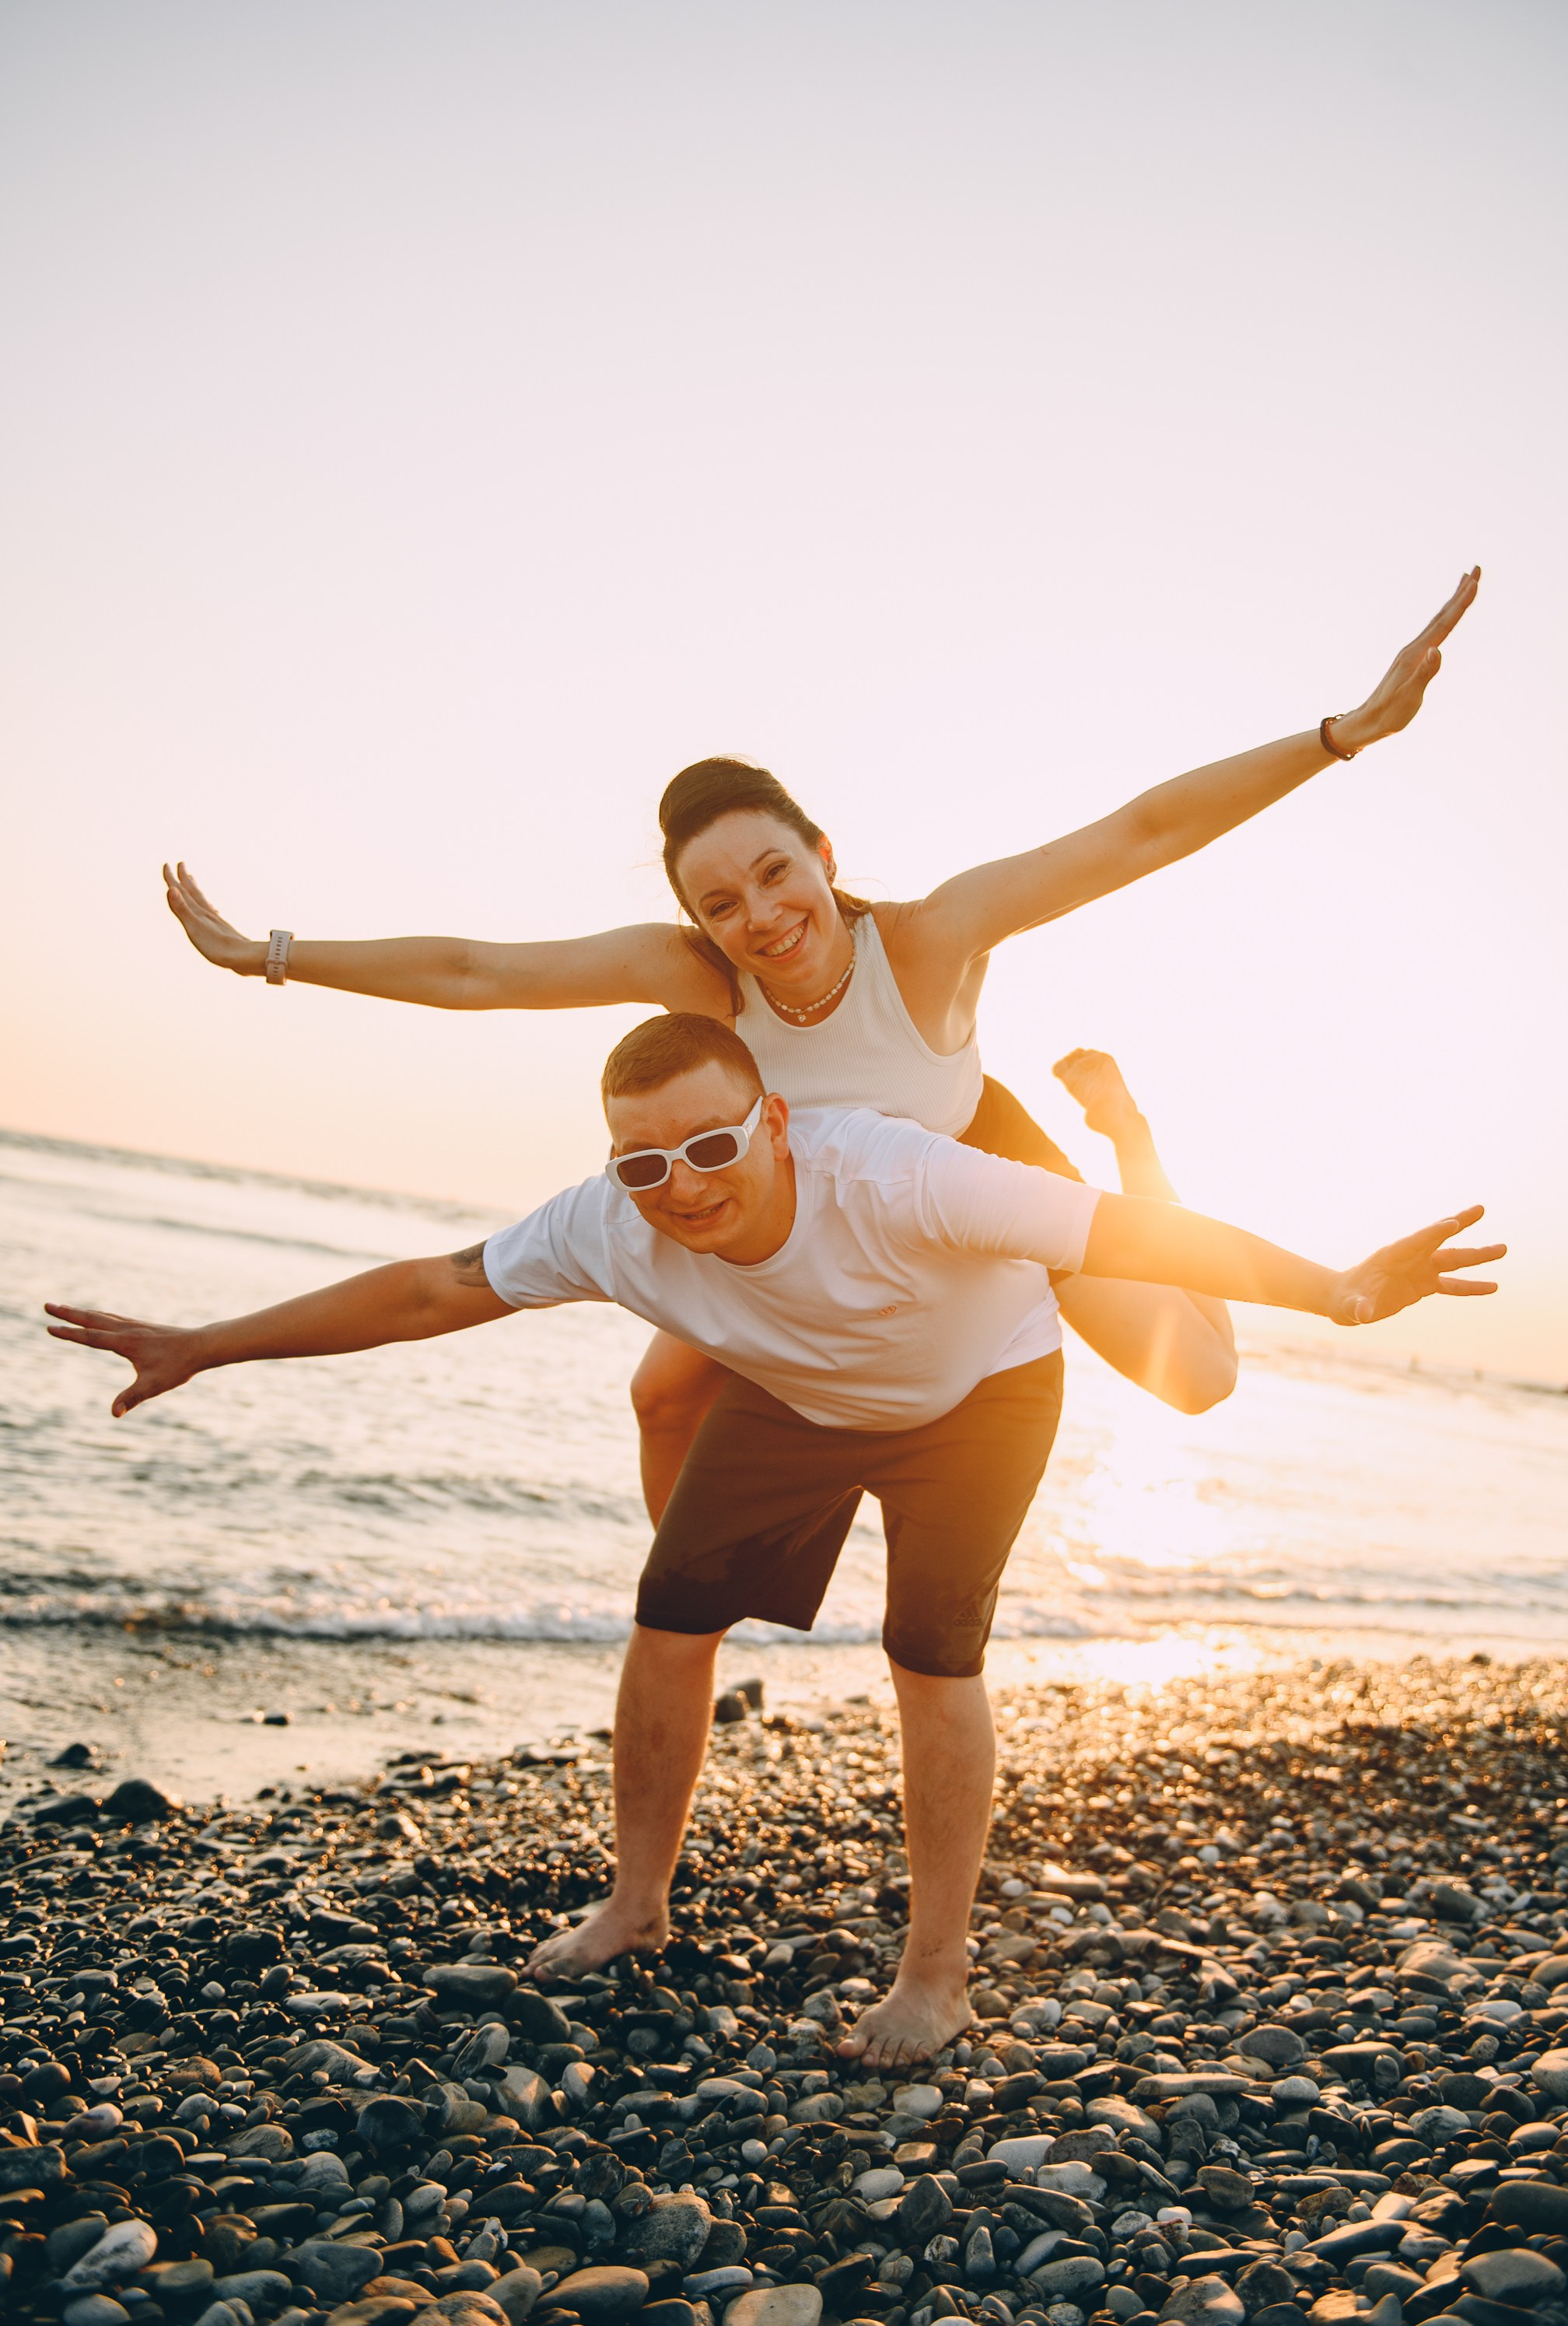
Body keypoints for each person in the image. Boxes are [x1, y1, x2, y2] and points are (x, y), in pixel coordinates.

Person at [46, 1012, 1503, 2066]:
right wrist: (211, 1344)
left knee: (938, 1645)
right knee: (670, 1609)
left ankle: (936, 1975)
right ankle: (637, 1903)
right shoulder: (612, 1226)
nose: (683, 1182)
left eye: (712, 1143)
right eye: (644, 1163)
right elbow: (432, 1290)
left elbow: (1138, 1242)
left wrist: (1343, 1291)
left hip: (978, 1392)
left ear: (778, 1122)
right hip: (801, 1402)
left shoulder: (904, 1174)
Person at [163, 573, 1479, 1514]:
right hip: (801, 1203)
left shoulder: (929, 937)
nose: (762, 919)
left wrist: (1341, 736)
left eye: (776, 875)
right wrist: (268, 956)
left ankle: (1135, 1149)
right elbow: (474, 972)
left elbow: (1137, 831)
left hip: (970, 1160)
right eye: (720, 903)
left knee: (1197, 1381)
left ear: (822, 854)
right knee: (664, 1397)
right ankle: (685, 1611)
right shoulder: (685, 971)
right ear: (692, 916)